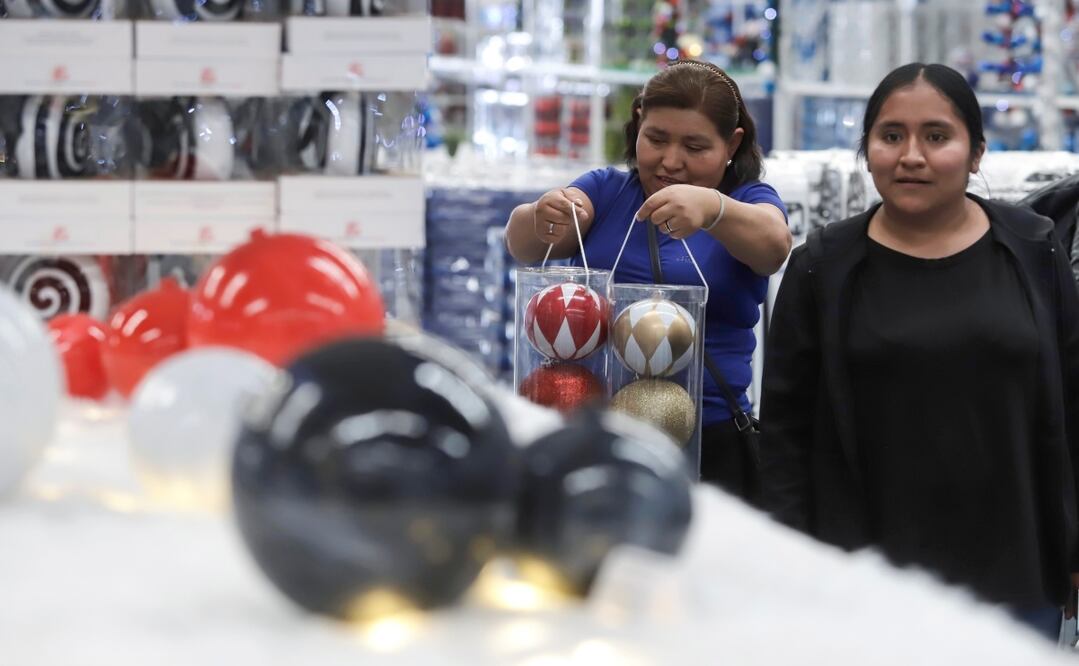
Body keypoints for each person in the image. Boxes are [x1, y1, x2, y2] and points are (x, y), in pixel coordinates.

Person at [759, 62, 1079, 642]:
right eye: (891, 136)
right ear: (867, 151)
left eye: (936, 136)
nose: (911, 156)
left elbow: (1074, 400)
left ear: (976, 153)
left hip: (1016, 574)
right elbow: (784, 432)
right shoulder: (821, 268)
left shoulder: (1033, 249)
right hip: (864, 584)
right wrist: (790, 564)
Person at [505, 59, 791, 499]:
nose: (670, 161)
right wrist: (545, 213)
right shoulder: (606, 190)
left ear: (732, 143)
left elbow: (774, 245)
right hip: (595, 437)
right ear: (638, 121)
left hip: (708, 442)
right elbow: (523, 243)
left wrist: (714, 209)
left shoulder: (749, 199)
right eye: (656, 139)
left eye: (695, 147)